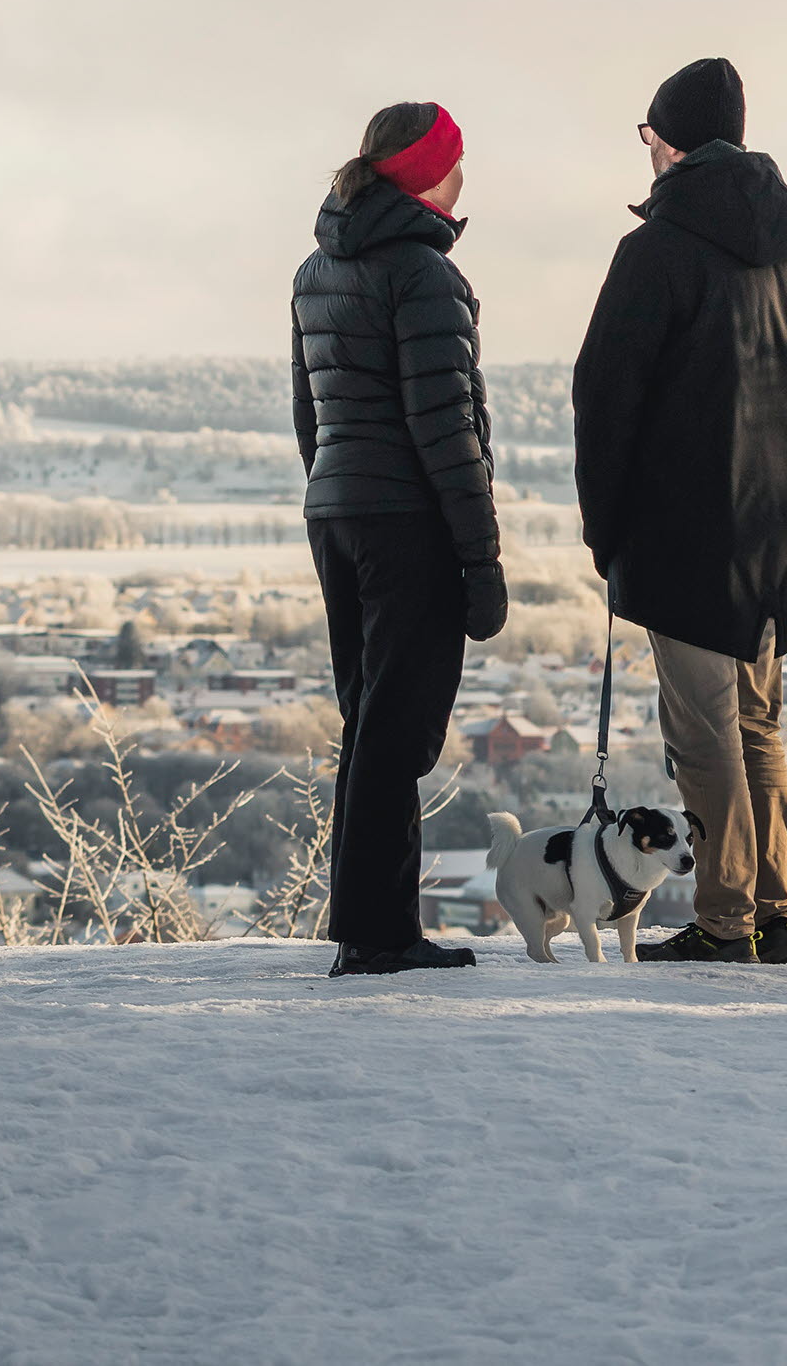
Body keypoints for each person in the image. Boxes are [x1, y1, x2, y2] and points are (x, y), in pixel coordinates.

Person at [574, 57, 787, 965]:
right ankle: (777, 914)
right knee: (758, 726)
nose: (644, 150)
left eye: (646, 134)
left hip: (687, 535)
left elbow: (605, 399)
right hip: (780, 534)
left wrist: (605, 531)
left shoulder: (657, 251)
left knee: (703, 734)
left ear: (670, 140)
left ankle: (726, 923)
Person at [296, 101, 507, 977]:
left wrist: (338, 489)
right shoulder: (422, 275)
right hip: (405, 522)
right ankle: (379, 936)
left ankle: (365, 928)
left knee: (369, 722)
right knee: (397, 731)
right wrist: (480, 558)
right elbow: (445, 432)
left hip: (337, 511)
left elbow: (310, 416)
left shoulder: (317, 267)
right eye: (457, 163)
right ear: (429, 176)